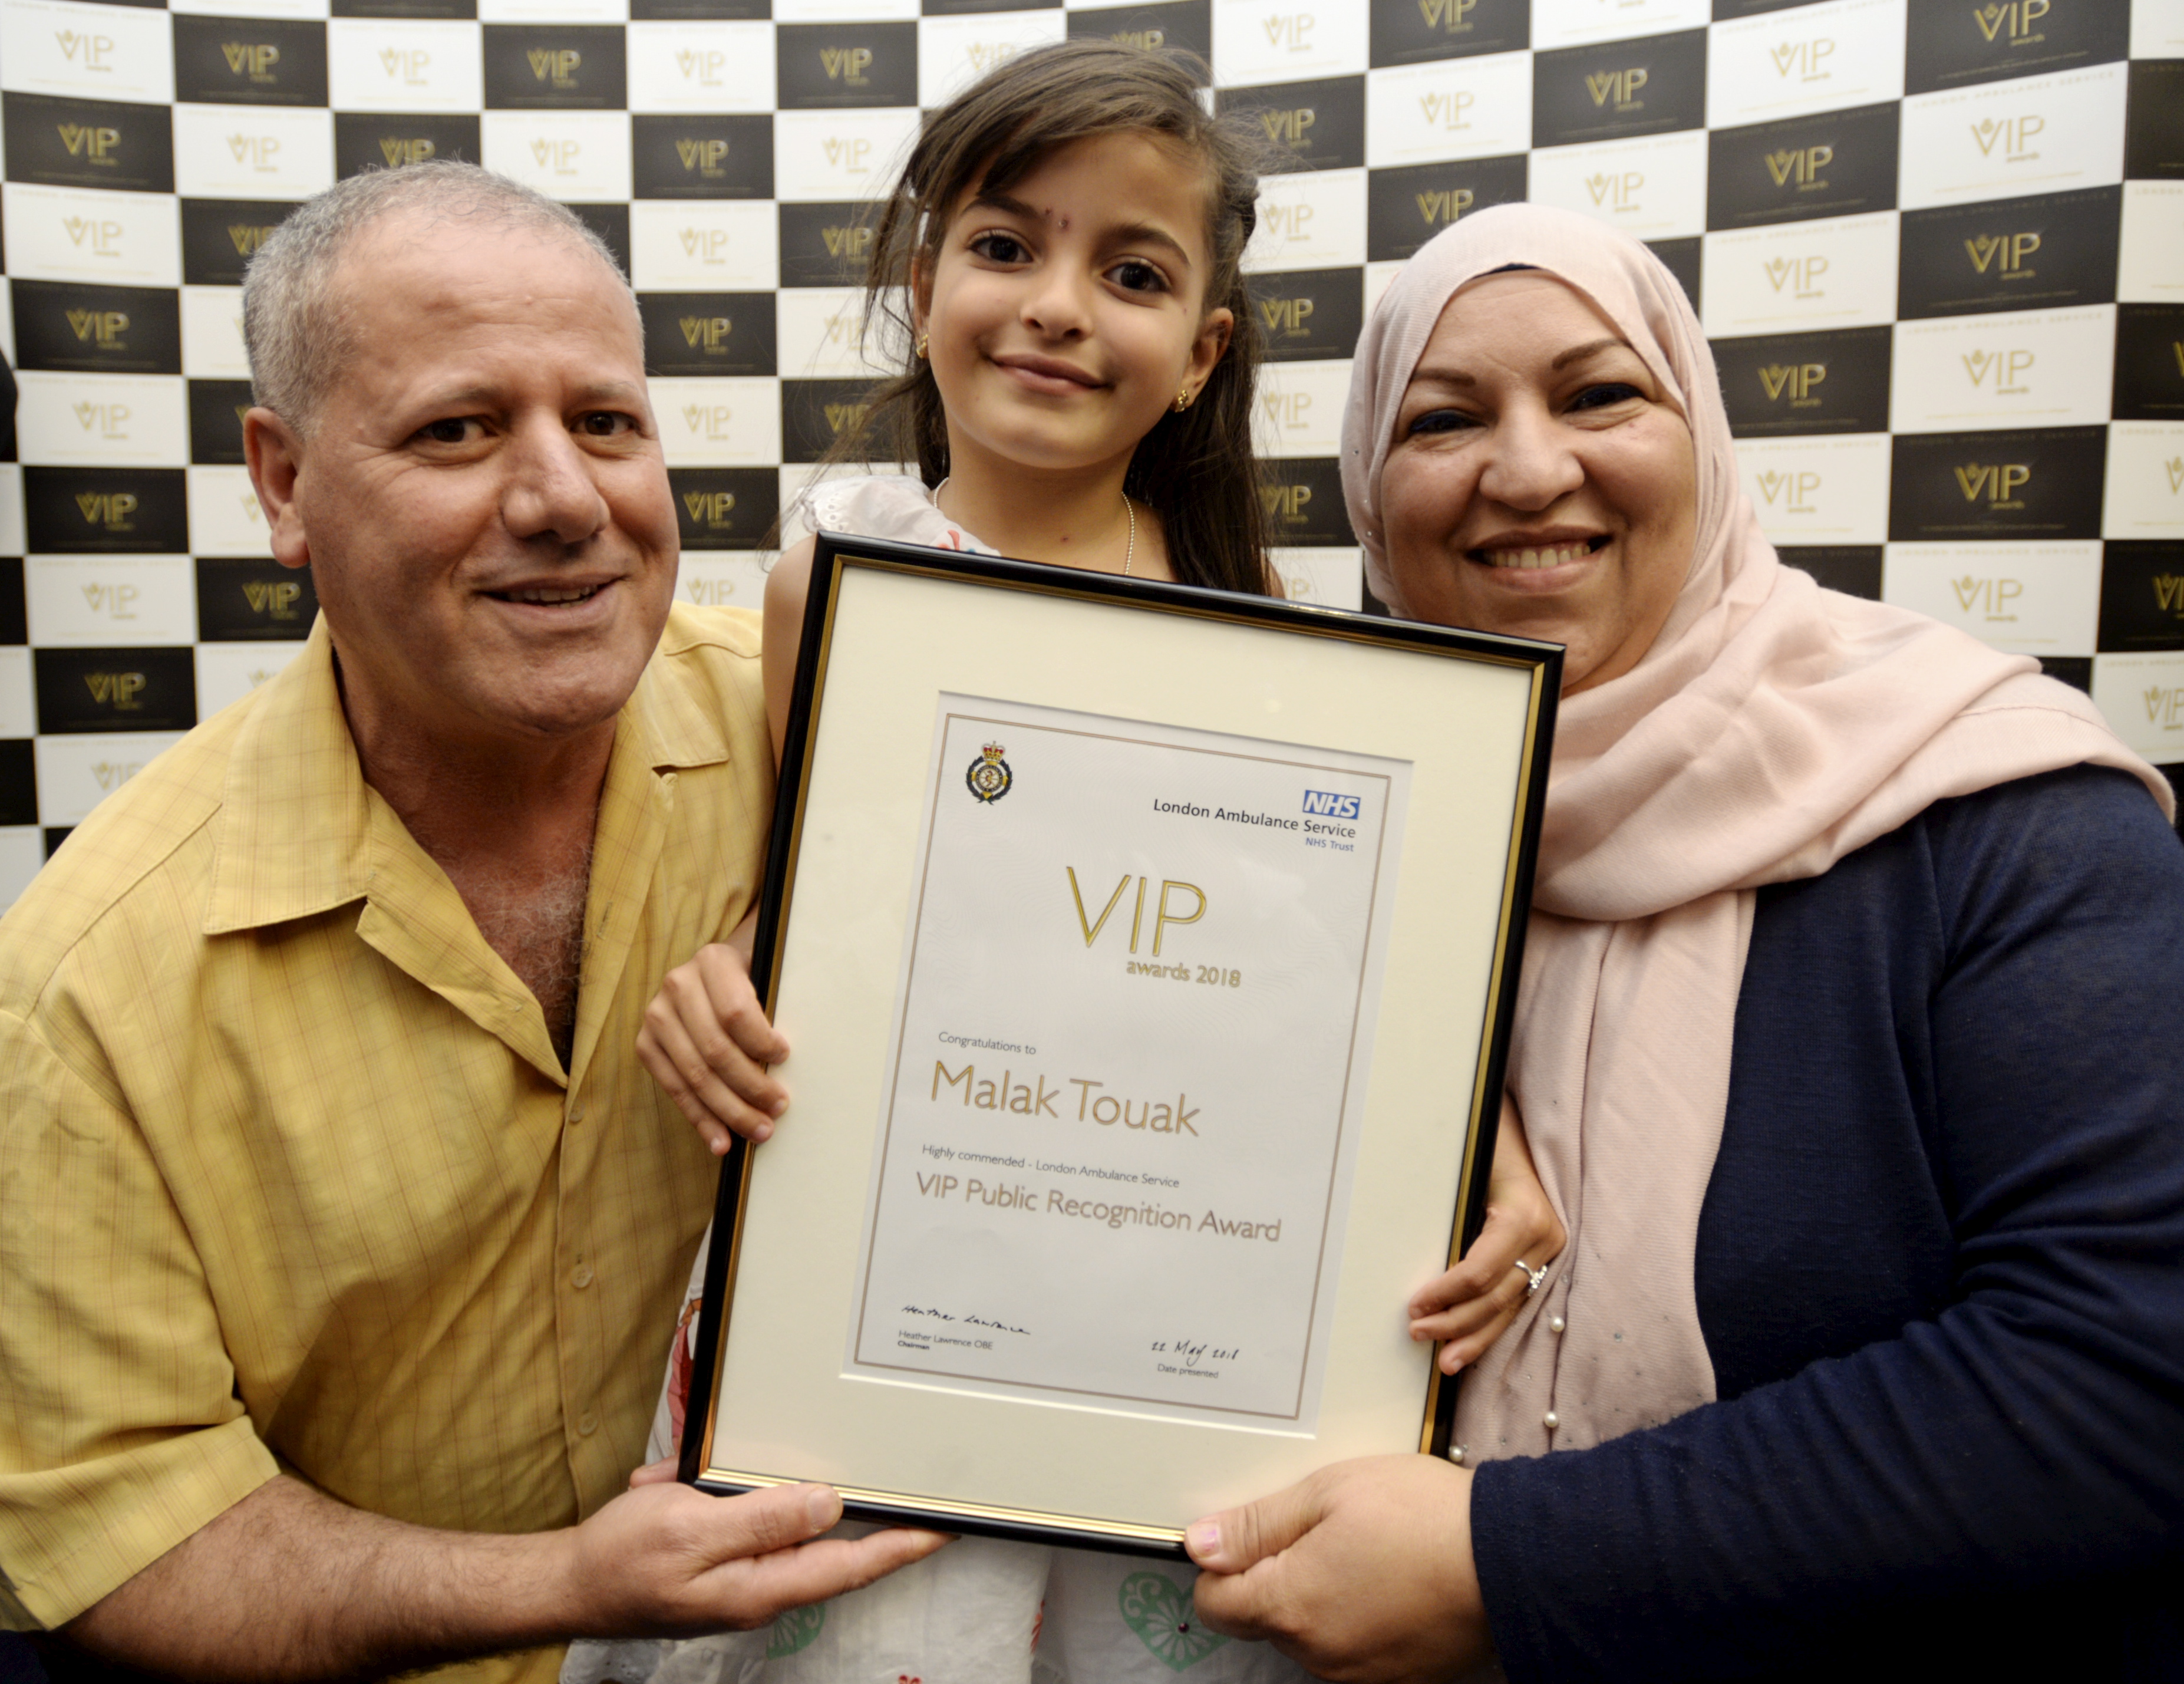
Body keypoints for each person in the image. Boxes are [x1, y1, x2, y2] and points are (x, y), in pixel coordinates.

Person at [566, 46, 1563, 1684]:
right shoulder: (834, 567)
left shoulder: (1262, 628)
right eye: (1007, 244)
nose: (1056, 304)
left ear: (1199, 355)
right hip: (903, 1271)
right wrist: (724, 977)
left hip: (1165, 1309)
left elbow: (1377, 963)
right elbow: (813, 885)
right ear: (923, 276)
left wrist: (1491, 1143)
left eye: (1134, 270)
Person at [1183, 203, 2184, 1680]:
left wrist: (1497, 1557)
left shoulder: (2000, 814)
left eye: (1598, 394)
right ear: (1366, 494)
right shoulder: (1330, 846)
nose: (1527, 471)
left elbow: (2124, 1379)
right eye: (1442, 418)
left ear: (1704, 443)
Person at [0, 162, 945, 1684]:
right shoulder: (84, 985)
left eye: (606, 422)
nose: (564, 500)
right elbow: (135, 1535)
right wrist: (564, 1586)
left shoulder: (831, 722)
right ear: (284, 481)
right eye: (457, 429)